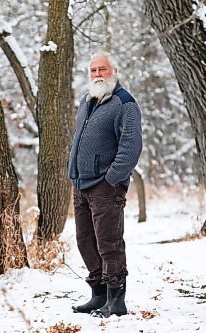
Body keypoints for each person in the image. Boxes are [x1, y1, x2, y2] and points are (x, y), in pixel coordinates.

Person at [67, 51, 142, 318]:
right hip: (81, 184)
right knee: (85, 241)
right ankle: (98, 296)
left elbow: (130, 148)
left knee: (108, 243)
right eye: (94, 70)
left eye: (103, 69)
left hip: (105, 187)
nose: (98, 74)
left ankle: (116, 301)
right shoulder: (88, 102)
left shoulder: (124, 103)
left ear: (114, 71)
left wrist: (111, 180)